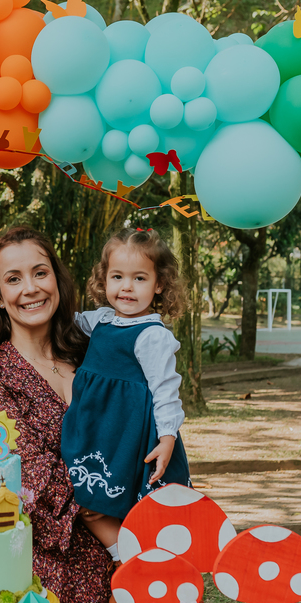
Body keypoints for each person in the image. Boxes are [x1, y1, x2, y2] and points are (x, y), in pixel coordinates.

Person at [0, 226, 133, 603]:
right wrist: (121, 534)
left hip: (137, 554)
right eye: (13, 279)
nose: (30, 289)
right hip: (57, 574)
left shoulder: (98, 355)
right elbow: (32, 478)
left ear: (57, 279)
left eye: (40, 273)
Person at [61, 228, 192, 565]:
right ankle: (129, 562)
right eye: (117, 276)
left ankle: (143, 569)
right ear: (104, 280)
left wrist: (166, 438)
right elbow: (62, 323)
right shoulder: (101, 319)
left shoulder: (151, 335)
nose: (127, 287)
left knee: (132, 510)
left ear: (159, 284)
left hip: (129, 437)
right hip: (97, 432)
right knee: (88, 502)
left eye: (139, 278)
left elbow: (166, 391)